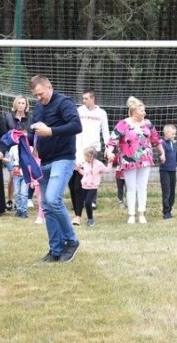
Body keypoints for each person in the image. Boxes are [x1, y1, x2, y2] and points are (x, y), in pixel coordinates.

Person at [29, 75, 82, 263]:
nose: (38, 98)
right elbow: (33, 130)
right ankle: (55, 250)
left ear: (49, 87)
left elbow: (77, 126)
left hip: (63, 158)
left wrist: (51, 131)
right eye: (35, 95)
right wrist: (21, 139)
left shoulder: (64, 103)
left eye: (40, 94)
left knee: (53, 199)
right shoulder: (37, 107)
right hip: (44, 161)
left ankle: (72, 241)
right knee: (46, 206)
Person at [105, 96, 164, 225]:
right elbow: (113, 140)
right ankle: (131, 214)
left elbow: (155, 139)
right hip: (128, 160)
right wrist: (109, 151)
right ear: (134, 112)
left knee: (142, 187)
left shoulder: (147, 123)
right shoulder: (123, 124)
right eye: (142, 111)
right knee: (131, 188)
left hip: (145, 159)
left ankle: (141, 213)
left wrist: (162, 152)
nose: (144, 113)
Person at [73, 90, 110, 225]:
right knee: (78, 184)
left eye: (86, 98)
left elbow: (105, 132)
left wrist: (108, 148)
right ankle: (77, 215)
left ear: (93, 99)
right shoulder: (79, 111)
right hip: (79, 151)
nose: (84, 101)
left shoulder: (101, 113)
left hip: (94, 151)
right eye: (83, 99)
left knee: (92, 179)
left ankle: (90, 203)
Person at [3, 96, 31, 212]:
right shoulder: (8, 117)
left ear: (26, 105)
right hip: (11, 150)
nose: (20, 105)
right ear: (15, 104)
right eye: (19, 103)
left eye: (23, 103)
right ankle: (10, 199)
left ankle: (22, 200)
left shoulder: (30, 118)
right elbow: (4, 134)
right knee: (12, 175)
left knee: (24, 175)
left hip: (25, 149)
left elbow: (32, 134)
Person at [77, 146, 111, 227]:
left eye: (85, 156)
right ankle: (87, 218)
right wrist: (78, 169)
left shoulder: (99, 164)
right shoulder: (85, 164)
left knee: (88, 202)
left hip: (93, 187)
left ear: (90, 156)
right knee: (85, 203)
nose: (84, 157)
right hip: (84, 186)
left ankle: (91, 219)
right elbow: (85, 173)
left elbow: (106, 170)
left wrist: (110, 162)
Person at [159, 124, 177, 219]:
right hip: (165, 171)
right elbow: (160, 154)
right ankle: (166, 212)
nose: (174, 135)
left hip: (173, 171)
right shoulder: (162, 144)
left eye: (175, 133)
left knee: (172, 192)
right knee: (166, 192)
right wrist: (161, 156)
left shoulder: (174, 144)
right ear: (166, 133)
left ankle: (170, 209)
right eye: (172, 133)